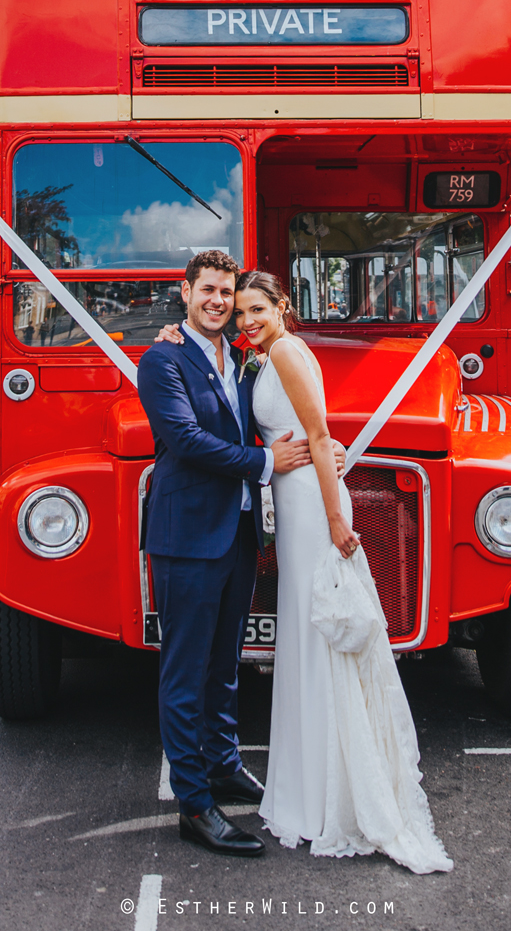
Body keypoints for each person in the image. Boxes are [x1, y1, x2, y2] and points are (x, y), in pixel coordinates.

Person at [238, 270, 452, 874]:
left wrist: (337, 520)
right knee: (307, 637)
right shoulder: (268, 353)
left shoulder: (282, 350)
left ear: (283, 306)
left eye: (259, 308)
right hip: (297, 493)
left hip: (312, 502)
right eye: (242, 313)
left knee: (318, 636)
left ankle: (324, 796)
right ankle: (309, 790)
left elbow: (321, 435)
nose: (249, 320)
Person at [136, 250, 345, 859]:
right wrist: (264, 461)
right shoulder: (162, 358)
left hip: (239, 534)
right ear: (186, 292)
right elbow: (185, 440)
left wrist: (311, 447)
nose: (219, 302)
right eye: (208, 291)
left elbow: (271, 417)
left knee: (225, 664)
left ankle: (224, 765)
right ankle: (195, 804)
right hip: (187, 538)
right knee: (184, 672)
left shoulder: (244, 361)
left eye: (226, 293)